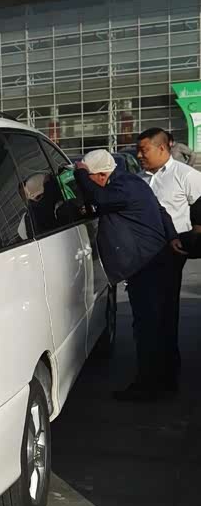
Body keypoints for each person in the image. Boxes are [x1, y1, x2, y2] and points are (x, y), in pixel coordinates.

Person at [74, 149, 182, 402]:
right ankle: (166, 380)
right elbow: (161, 211)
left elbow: (99, 198)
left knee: (148, 328)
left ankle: (147, 386)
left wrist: (80, 175)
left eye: (91, 179)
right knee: (160, 326)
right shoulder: (131, 182)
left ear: (102, 175)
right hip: (154, 263)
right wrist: (172, 236)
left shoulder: (122, 186)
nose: (88, 185)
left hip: (147, 268)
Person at [137, 128, 201, 376]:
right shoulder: (140, 178)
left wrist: (194, 236)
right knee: (147, 313)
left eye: (144, 150)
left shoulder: (185, 175)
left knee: (164, 310)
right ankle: (151, 368)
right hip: (143, 251)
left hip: (172, 249)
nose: (139, 155)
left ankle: (167, 370)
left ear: (162, 148)